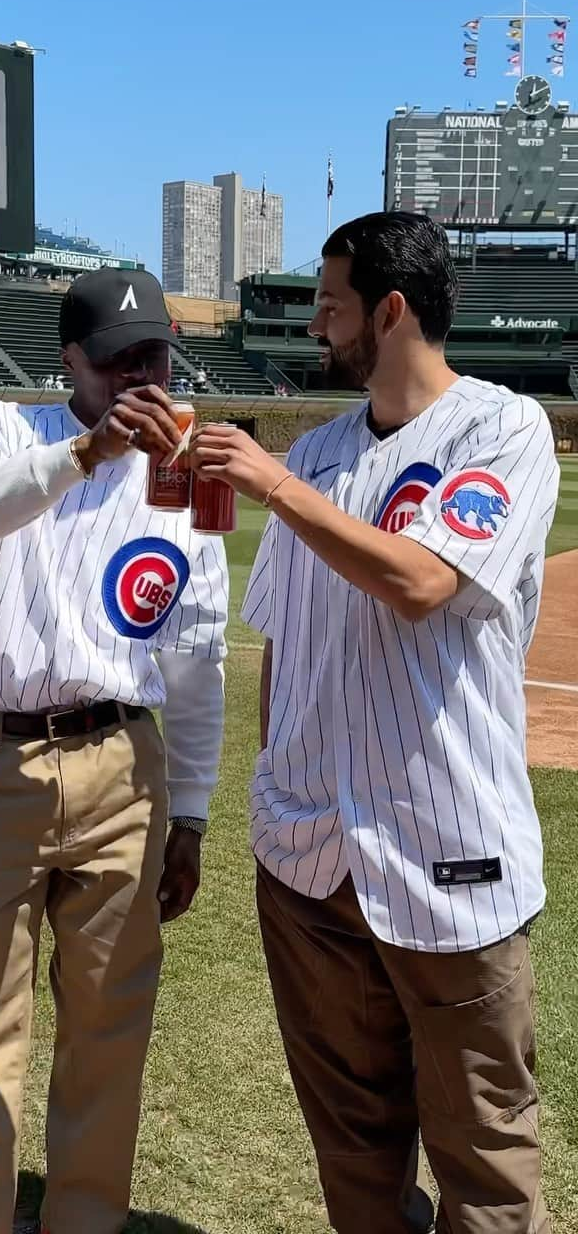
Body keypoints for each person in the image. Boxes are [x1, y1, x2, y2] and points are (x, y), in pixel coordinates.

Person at [191, 211, 558, 1234]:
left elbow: (421, 579)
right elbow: (280, 642)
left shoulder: (502, 429)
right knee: (355, 1160)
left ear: (390, 311)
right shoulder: (316, 450)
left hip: (449, 864)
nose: (315, 326)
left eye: (331, 305)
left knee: (485, 1164)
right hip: (310, 867)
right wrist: (271, 799)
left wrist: (270, 483)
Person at [0, 267, 228, 1234]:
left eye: (156, 354)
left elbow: (198, 658)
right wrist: (86, 453)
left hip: (124, 769)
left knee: (108, 1036)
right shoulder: (5, 427)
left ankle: (85, 1220)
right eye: (121, 357)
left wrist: (194, 814)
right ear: (71, 361)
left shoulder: (185, 472)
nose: (143, 376)